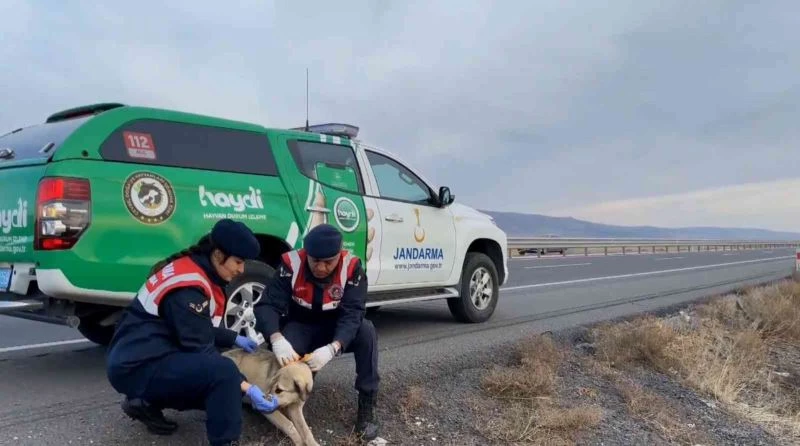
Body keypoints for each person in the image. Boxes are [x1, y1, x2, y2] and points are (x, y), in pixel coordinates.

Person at [106, 218, 279, 446]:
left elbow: (193, 326)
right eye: (238, 261)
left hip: (138, 355)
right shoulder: (188, 287)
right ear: (218, 255)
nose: (242, 269)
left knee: (222, 384)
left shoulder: (193, 267)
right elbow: (200, 348)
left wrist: (233, 337)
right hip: (139, 366)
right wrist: (248, 387)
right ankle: (225, 441)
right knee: (225, 375)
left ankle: (144, 402)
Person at [253, 223, 380, 441]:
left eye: (328, 262)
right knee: (284, 354)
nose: (320, 268)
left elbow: (353, 313)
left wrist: (334, 347)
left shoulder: (352, 268)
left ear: (339, 255)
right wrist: (276, 338)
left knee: (366, 331)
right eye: (315, 261)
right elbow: (267, 305)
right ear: (306, 254)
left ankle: (367, 405)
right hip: (301, 322)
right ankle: (274, 394)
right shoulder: (290, 265)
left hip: (336, 326)